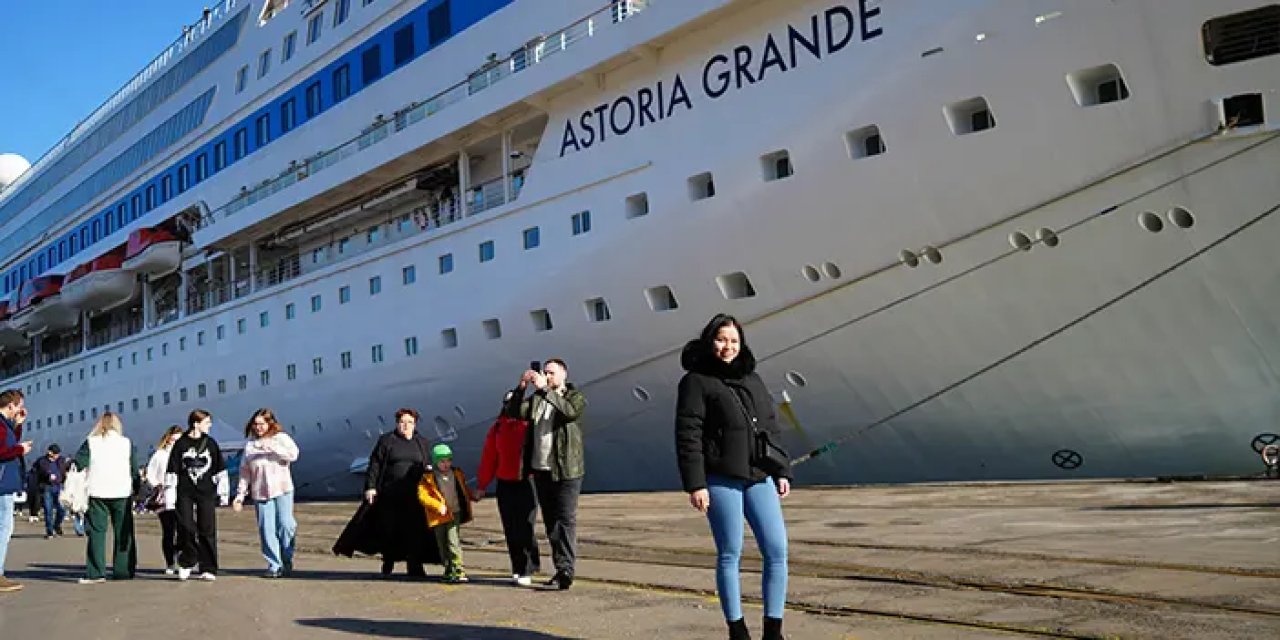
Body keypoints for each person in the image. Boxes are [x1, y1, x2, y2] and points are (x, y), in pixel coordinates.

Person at [676, 314, 793, 640]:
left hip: (758, 475)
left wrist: (780, 470)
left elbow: (769, 426)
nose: (727, 347)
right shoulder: (696, 381)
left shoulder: (751, 378)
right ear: (709, 340)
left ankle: (773, 629)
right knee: (730, 552)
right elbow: (688, 433)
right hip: (721, 477)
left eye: (733, 341)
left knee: (777, 549)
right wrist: (695, 483)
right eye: (721, 339)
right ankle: (737, 629)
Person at [504, 358, 586, 590]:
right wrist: (521, 388)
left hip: (567, 469)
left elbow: (570, 412)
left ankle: (566, 570)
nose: (547, 376)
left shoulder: (574, 396)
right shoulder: (538, 399)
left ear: (563, 375)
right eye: (544, 372)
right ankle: (561, 569)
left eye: (551, 372)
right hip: (541, 470)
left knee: (565, 520)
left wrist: (543, 389)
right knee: (551, 522)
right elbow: (515, 412)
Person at [364, 408, 435, 577]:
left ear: (414, 424)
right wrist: (370, 487)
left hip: (415, 495)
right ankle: (388, 560)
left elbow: (427, 463)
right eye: (402, 422)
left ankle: (415, 565)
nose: (406, 425)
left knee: (416, 530)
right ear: (397, 423)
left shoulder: (421, 442)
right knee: (390, 530)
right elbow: (375, 465)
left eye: (409, 422)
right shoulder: (387, 441)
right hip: (390, 494)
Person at [72, 412, 139, 584]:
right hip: (122, 492)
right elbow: (134, 468)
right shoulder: (127, 443)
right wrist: (136, 488)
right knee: (124, 533)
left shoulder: (91, 442)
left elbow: (78, 462)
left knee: (97, 533)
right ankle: (123, 571)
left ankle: (96, 573)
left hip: (97, 492)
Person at [232, 408, 301, 578]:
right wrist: (240, 496)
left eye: (261, 424)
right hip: (260, 492)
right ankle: (274, 564)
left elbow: (294, 455)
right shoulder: (250, 447)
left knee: (286, 525)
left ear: (270, 423)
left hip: (282, 489)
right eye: (255, 424)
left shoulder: (281, 439)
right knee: (266, 529)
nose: (258, 428)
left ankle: (287, 557)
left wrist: (273, 448)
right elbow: (245, 473)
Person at [475, 409, 540, 586]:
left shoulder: (530, 426)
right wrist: (482, 485)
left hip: (527, 481)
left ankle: (527, 567)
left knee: (526, 525)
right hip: (505, 484)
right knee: (511, 528)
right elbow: (490, 457)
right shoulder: (497, 428)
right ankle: (518, 568)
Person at [165, 409, 226, 581]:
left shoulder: (211, 443)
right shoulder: (181, 444)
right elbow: (172, 470)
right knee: (185, 526)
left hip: (206, 491)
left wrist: (223, 492)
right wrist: (169, 497)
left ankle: (208, 567)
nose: (210, 425)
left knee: (207, 528)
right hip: (184, 492)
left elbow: (220, 468)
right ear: (196, 424)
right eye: (207, 422)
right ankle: (187, 561)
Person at [417, 443, 475, 583]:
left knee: (453, 541)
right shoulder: (429, 478)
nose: (446, 464)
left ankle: (459, 569)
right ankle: (448, 569)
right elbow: (422, 495)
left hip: (454, 513)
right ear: (436, 461)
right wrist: (437, 506)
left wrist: (473, 496)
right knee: (442, 544)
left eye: (448, 460)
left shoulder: (456, 474)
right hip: (439, 516)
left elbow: (463, 489)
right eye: (442, 461)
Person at [0, 388, 32, 593]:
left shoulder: (5, 426)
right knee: (4, 528)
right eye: (19, 406)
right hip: (2, 484)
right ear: (10, 405)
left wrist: (18, 426)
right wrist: (21, 450)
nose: (21, 409)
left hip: (4, 483)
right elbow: (3, 451)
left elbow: (8, 441)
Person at [146, 426, 184, 574]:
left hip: (182, 497)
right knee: (168, 531)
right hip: (164, 498)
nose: (175, 443)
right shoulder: (160, 455)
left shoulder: (185, 454)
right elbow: (150, 474)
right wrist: (157, 485)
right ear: (167, 439)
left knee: (183, 530)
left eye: (178, 440)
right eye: (173, 439)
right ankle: (170, 562)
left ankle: (182, 560)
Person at [35, 444, 67, 538]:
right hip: (47, 487)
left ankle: (57, 525)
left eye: (58, 454)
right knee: (48, 510)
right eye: (55, 453)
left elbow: (64, 468)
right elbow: (41, 470)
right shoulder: (42, 461)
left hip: (58, 487)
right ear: (50, 452)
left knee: (62, 510)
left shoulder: (61, 460)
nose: (57, 455)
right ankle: (49, 531)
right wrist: (48, 475)